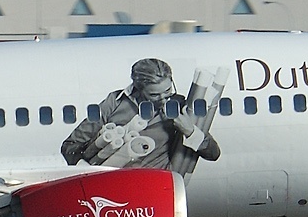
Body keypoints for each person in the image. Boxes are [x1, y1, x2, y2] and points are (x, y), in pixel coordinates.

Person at [60, 57, 221, 171]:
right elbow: (70, 146)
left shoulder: (179, 106)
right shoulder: (114, 102)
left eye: (167, 91)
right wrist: (89, 173)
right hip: (113, 190)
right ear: (138, 89)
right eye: (155, 95)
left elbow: (213, 153)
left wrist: (190, 131)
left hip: (154, 193)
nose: (164, 99)